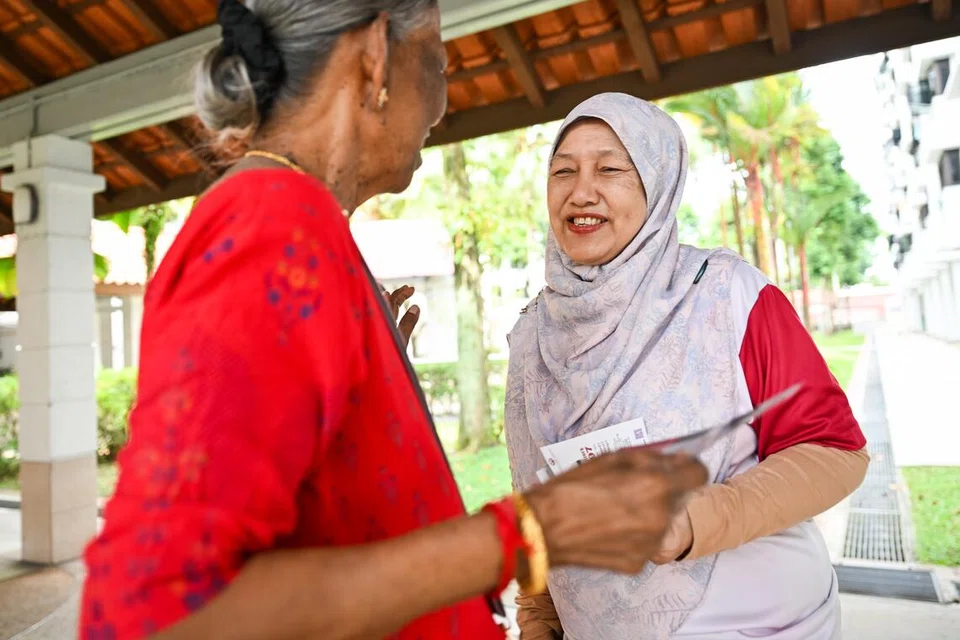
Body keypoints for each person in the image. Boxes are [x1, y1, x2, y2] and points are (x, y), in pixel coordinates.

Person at [78, 4, 709, 640]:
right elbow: (159, 616)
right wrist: (531, 532)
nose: (444, 89)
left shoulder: (306, 225)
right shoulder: (271, 226)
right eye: (437, 56)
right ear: (377, 54)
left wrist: (369, 391)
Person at [504, 93, 870, 640]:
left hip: (760, 624)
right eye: (563, 171)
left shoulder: (726, 294)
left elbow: (836, 451)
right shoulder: (533, 334)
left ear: (658, 182)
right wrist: (538, 622)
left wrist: (695, 518)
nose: (582, 191)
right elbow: (534, 503)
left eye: (610, 168)